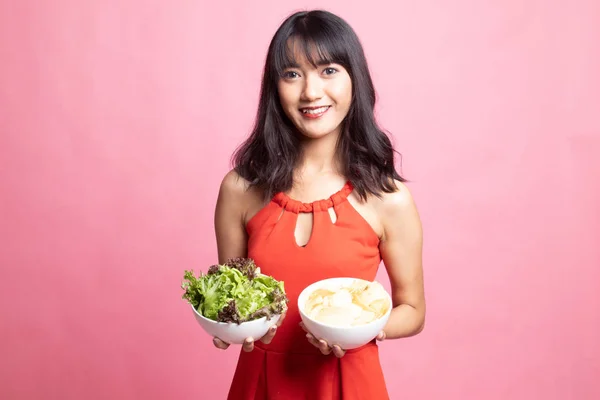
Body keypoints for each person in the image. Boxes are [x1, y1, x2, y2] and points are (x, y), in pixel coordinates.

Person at [213, 9, 425, 400]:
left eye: (328, 70)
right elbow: (233, 296)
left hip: (350, 381)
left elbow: (412, 310)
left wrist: (362, 328)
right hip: (260, 384)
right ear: (274, 87)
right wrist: (228, 325)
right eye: (292, 73)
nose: (311, 92)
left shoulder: (388, 199)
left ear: (354, 80)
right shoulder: (240, 189)